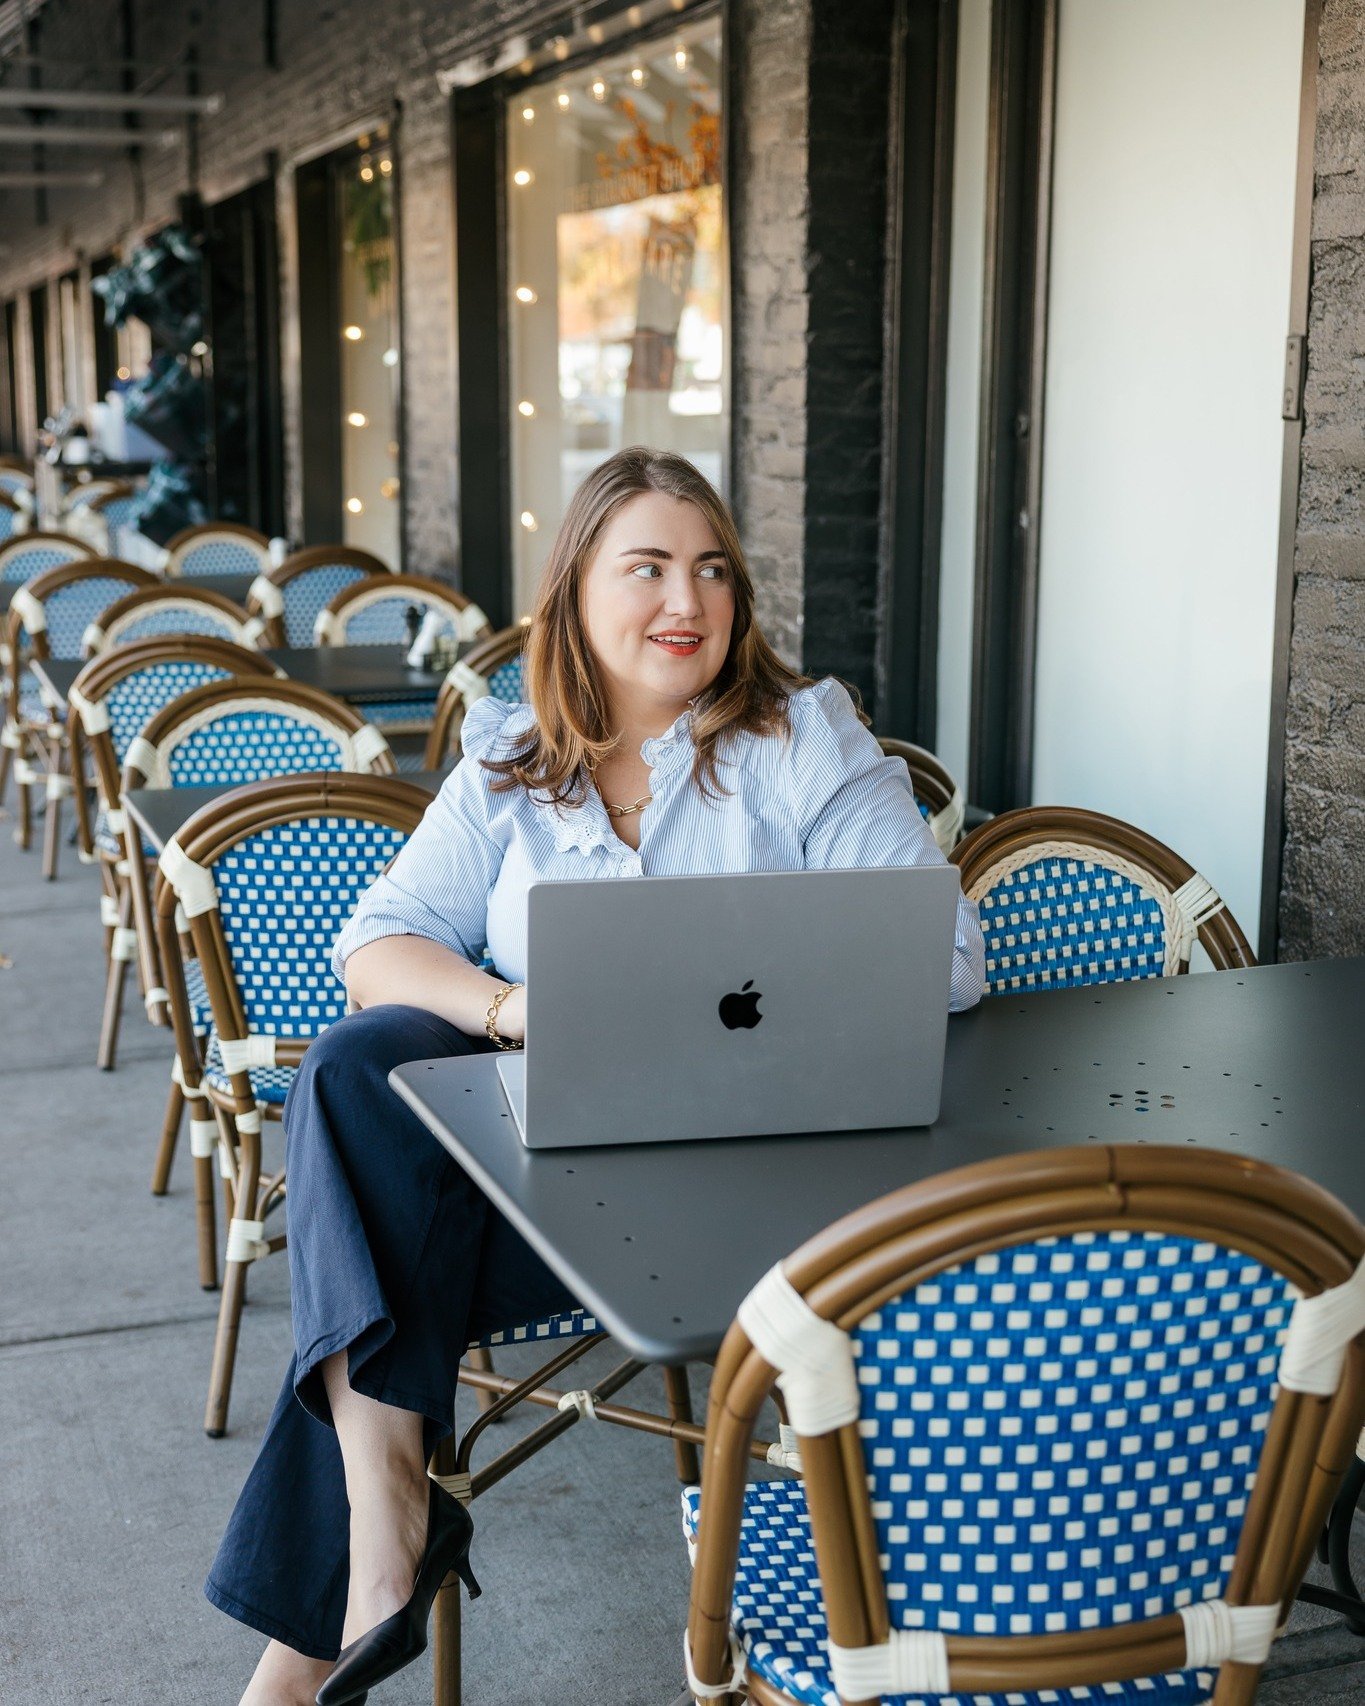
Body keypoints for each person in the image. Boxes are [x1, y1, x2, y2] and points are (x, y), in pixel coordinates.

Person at [212, 446, 986, 1704]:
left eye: (713, 569)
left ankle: (337, 1609)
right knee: (353, 1071)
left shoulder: (801, 742)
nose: (688, 599)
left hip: (757, 1194)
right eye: (649, 567)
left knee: (373, 1275)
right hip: (551, 1195)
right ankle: (385, 1517)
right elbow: (377, 940)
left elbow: (947, 956)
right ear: (574, 590)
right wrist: (513, 1008)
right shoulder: (512, 761)